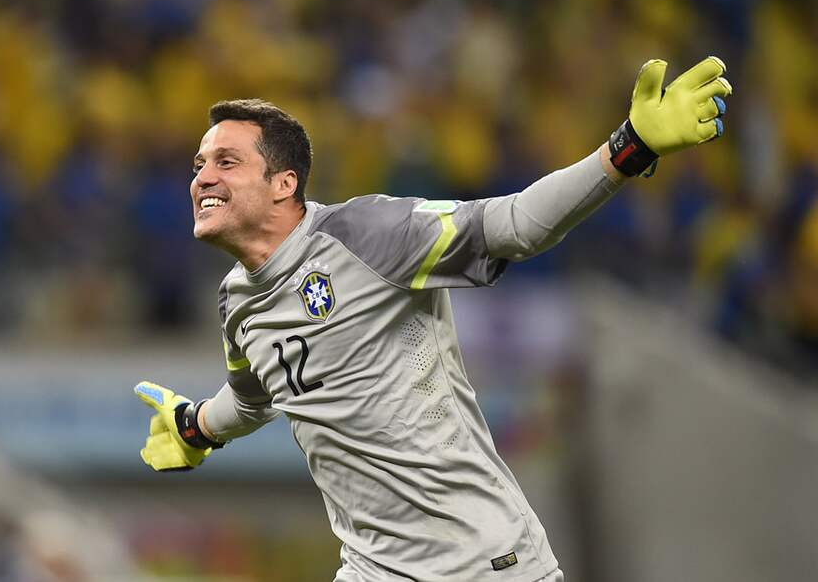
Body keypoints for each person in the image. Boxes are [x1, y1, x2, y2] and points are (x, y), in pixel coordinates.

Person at [135, 56, 732, 582]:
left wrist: (629, 149)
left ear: (283, 184)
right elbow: (253, 395)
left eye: (226, 161)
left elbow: (514, 224)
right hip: (373, 569)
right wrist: (195, 426)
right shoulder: (237, 300)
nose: (202, 177)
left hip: (482, 563)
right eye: (199, 164)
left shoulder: (369, 235)